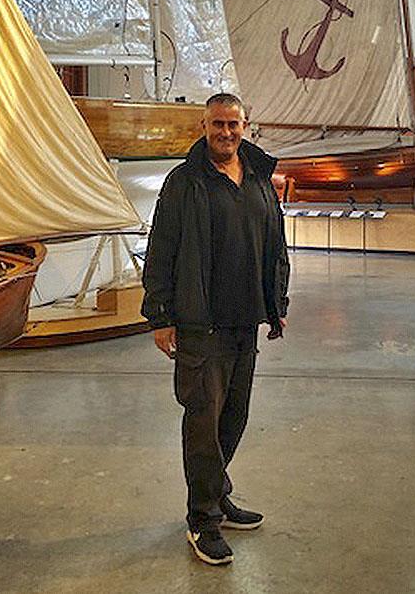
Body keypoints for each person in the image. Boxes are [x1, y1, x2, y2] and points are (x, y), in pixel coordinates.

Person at [142, 92, 290, 566]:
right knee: (202, 423)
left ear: (247, 126)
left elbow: (275, 245)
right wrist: (161, 316)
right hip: (199, 323)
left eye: (234, 124)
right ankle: (201, 520)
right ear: (204, 126)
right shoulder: (185, 182)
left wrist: (276, 302)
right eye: (217, 125)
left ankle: (217, 496)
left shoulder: (259, 179)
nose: (226, 133)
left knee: (234, 417)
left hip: (245, 322)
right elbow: (162, 248)